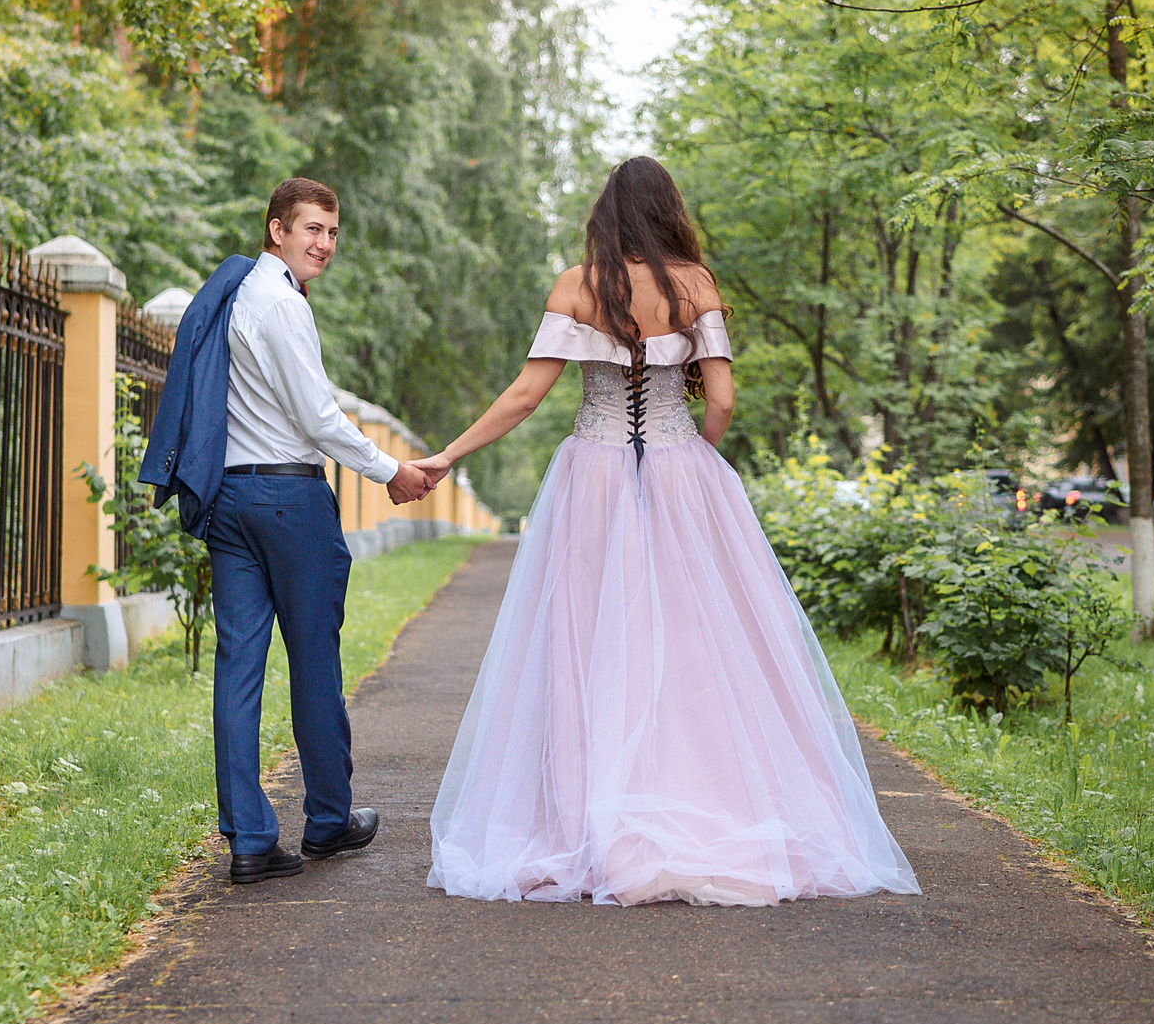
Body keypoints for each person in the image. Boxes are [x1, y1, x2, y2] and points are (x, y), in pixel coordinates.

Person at [406, 156, 919, 906]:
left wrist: (449, 453)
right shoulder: (697, 285)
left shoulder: (578, 285)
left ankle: (593, 821)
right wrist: (695, 458)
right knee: (698, 642)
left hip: (593, 477)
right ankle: (706, 802)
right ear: (669, 211)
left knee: (587, 642)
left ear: (605, 217)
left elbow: (524, 395)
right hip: (682, 471)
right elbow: (723, 399)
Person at [136, 177, 437, 885]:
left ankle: (249, 836)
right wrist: (388, 468)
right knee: (313, 659)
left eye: (332, 232)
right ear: (277, 230)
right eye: (311, 229)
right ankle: (328, 820)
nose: (324, 244)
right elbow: (318, 417)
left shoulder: (240, 293)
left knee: (238, 667)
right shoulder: (283, 305)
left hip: (230, 499)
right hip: (288, 498)